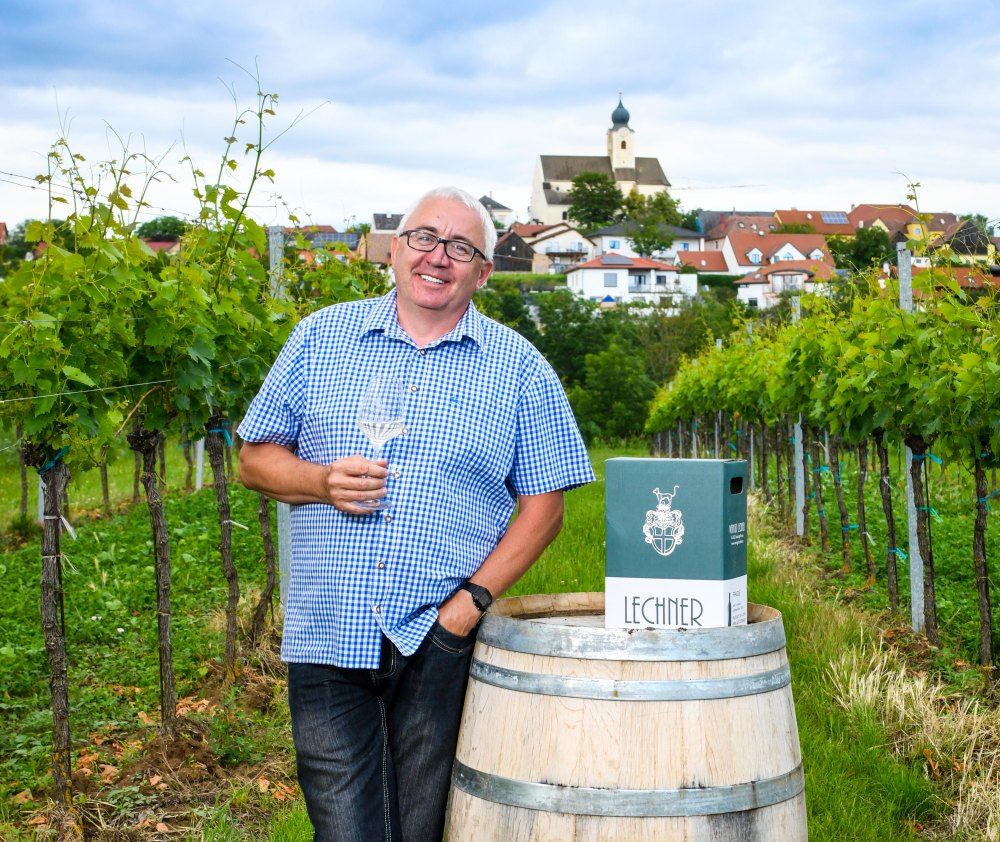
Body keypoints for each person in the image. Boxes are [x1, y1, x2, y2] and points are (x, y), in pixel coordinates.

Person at [237, 186, 594, 841]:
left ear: (484, 271)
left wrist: (465, 610)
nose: (439, 257)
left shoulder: (520, 369)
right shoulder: (320, 338)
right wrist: (320, 481)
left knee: (422, 826)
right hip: (329, 628)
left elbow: (545, 509)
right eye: (424, 238)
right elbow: (253, 460)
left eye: (461, 247)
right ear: (396, 250)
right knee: (348, 830)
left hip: (439, 640)